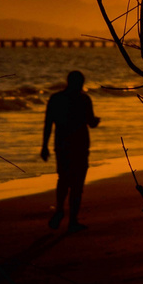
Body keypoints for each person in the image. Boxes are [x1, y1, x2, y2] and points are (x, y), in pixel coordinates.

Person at [41, 70, 100, 231]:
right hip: (80, 145)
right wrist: (96, 121)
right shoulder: (84, 99)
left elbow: (48, 124)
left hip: (62, 145)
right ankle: (72, 220)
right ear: (81, 83)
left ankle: (60, 209)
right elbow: (91, 122)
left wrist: (44, 146)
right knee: (77, 184)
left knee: (63, 179)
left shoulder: (56, 99)